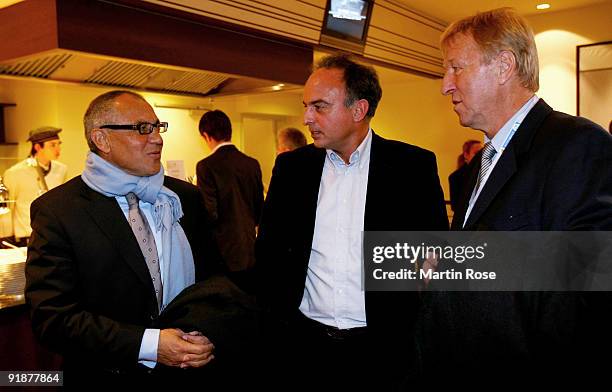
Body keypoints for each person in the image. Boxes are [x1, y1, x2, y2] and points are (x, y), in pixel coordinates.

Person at [418, 7, 612, 386]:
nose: (445, 84)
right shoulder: (478, 167)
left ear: (504, 65)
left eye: (456, 68)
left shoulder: (578, 145)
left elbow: (588, 281)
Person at [256, 53, 448, 389]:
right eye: (306, 106)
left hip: (383, 348)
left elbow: (432, 261)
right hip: (303, 344)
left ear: (358, 110)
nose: (306, 117)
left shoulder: (411, 167)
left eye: (319, 106)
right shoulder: (291, 170)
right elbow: (268, 254)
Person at [25, 91, 216, 386]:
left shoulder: (183, 199)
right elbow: (53, 318)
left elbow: (213, 281)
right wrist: (150, 345)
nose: (157, 138)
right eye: (142, 128)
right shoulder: (59, 211)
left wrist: (207, 331)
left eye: (157, 126)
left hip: (189, 375)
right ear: (101, 139)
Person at [196, 110, 264, 294]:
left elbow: (210, 213)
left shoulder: (206, 166)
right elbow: (260, 209)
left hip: (223, 252)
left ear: (206, 136)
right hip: (250, 249)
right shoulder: (251, 163)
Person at [3, 126, 67, 245]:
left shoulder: (61, 169)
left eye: (59, 144)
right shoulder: (15, 172)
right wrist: (5, 238)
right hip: (25, 236)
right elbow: (8, 209)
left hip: (53, 234)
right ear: (37, 147)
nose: (58, 149)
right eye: (52, 145)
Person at [448, 139, 481, 212]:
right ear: (466, 155)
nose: (481, 157)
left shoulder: (484, 172)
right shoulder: (456, 177)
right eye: (476, 153)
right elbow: (455, 206)